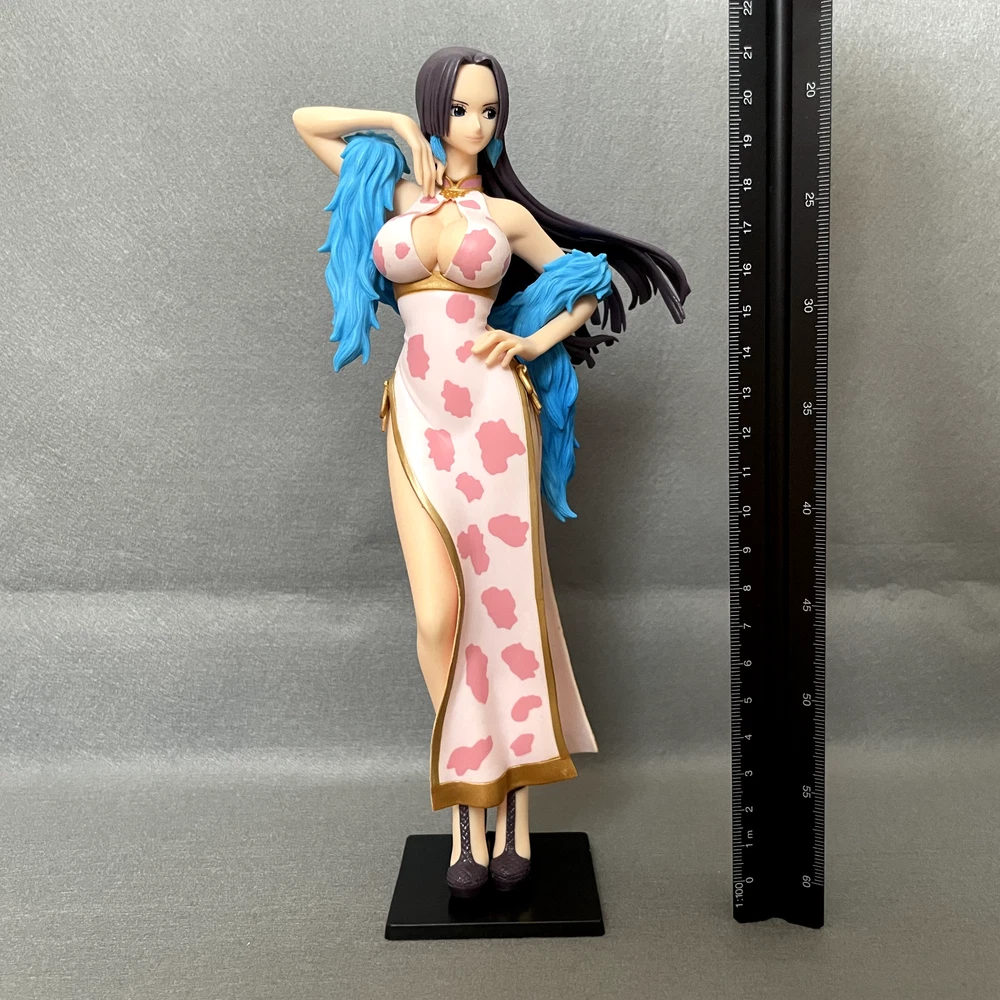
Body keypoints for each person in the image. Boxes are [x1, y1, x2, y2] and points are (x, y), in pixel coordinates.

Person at [293, 45, 689, 898]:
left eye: (489, 111)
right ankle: (468, 799)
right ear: (434, 108)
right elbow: (307, 123)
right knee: (439, 617)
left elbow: (587, 281)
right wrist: (393, 125)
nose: (475, 124)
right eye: (460, 108)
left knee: (507, 610)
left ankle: (510, 815)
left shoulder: (504, 217)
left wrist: (536, 338)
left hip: (496, 422)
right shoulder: (395, 193)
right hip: (418, 418)